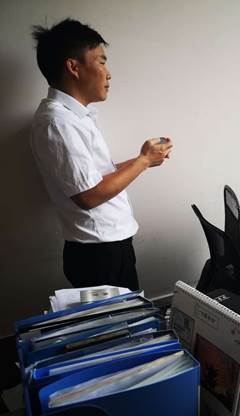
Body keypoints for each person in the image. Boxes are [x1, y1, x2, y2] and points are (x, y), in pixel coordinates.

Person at [30, 19, 173, 290]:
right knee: (120, 317)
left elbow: (94, 177)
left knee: (128, 313)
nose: (108, 74)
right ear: (73, 67)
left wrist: (145, 159)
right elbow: (89, 196)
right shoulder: (58, 122)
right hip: (99, 253)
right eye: (101, 62)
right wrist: (143, 161)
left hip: (107, 247)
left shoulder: (75, 117)